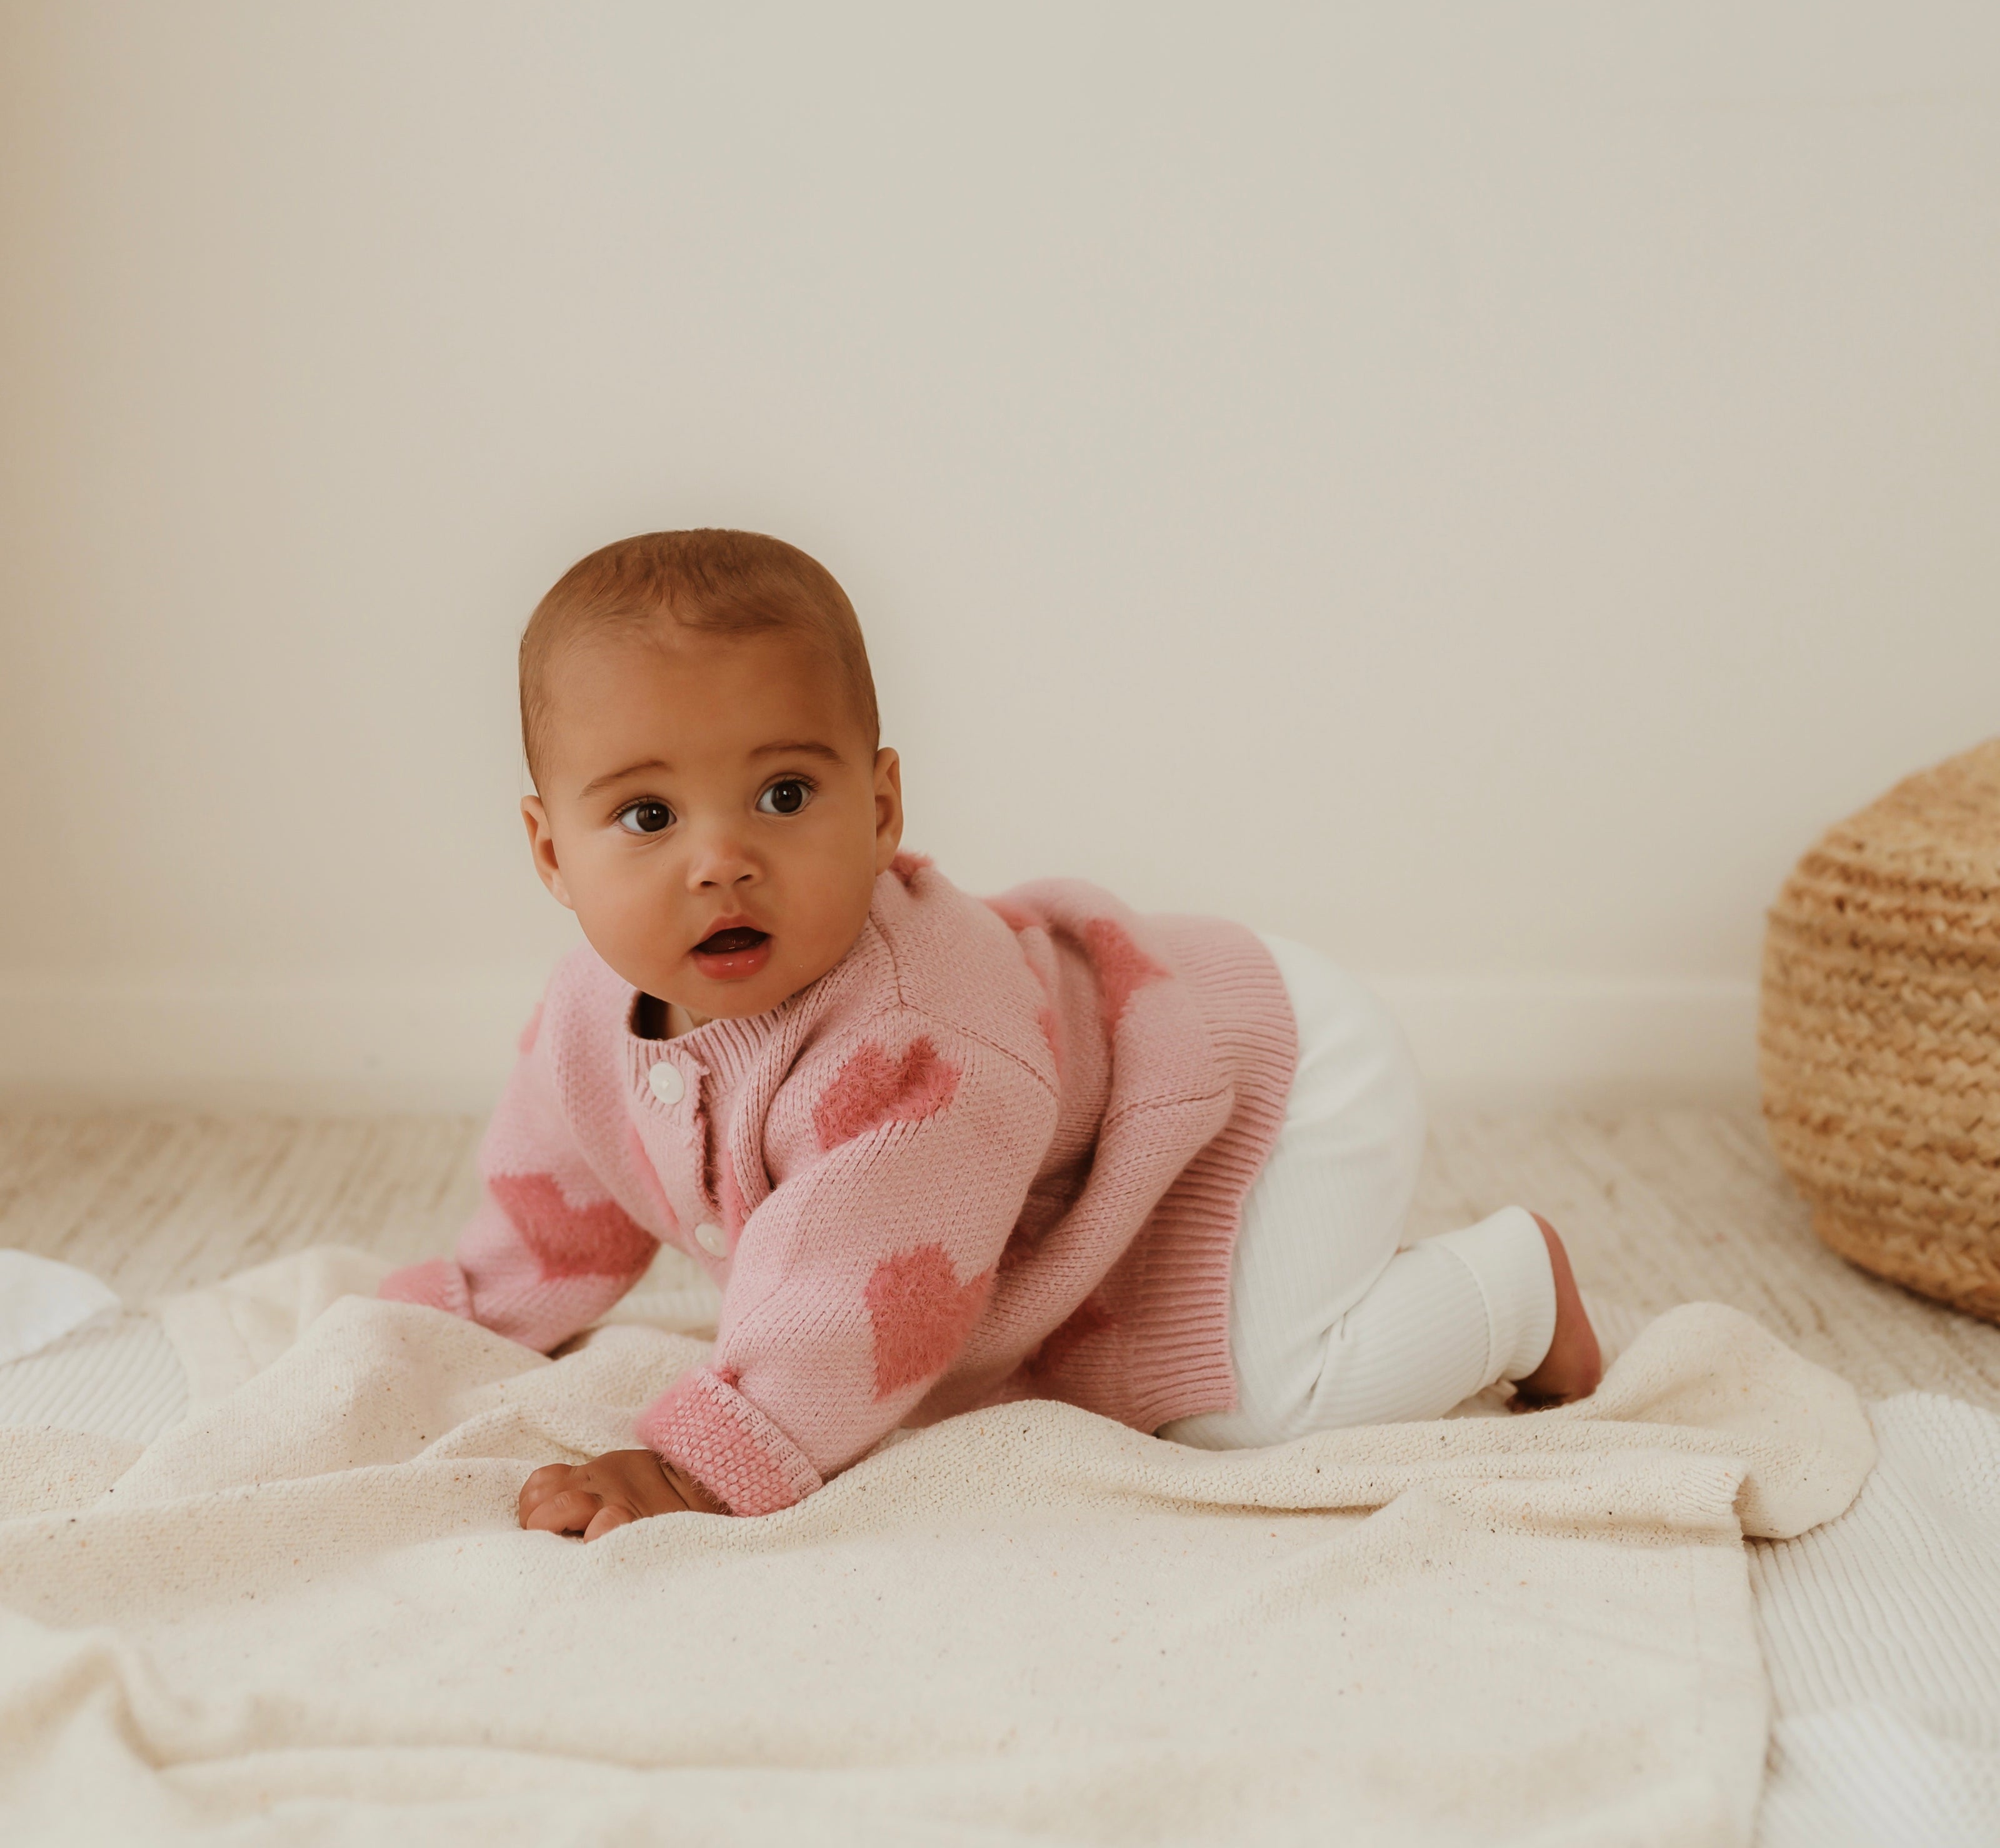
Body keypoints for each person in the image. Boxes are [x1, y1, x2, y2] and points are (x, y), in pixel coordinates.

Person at [381, 529, 1601, 1537]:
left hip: (1268, 1068)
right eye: (646, 814)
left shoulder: (914, 1039)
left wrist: (697, 1463)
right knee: (1123, 1371)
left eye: (786, 794)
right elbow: (563, 1191)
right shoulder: (592, 1013)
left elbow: (854, 1304)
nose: (722, 861)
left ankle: (1511, 1287)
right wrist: (465, 1308)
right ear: (552, 851)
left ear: (880, 805)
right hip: (1101, 1105)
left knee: (1257, 1412)